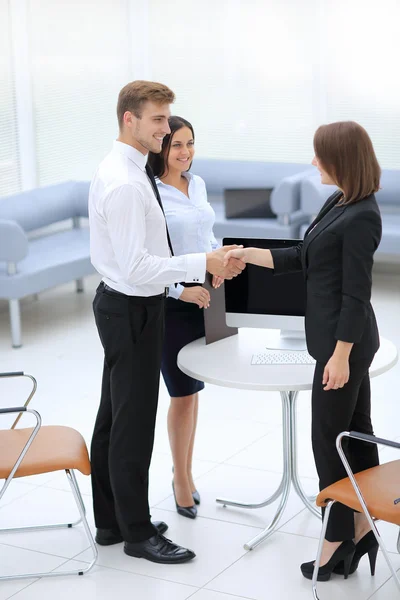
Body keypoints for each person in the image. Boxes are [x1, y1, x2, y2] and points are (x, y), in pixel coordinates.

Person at [88, 80, 245, 564]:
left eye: (167, 119)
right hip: (132, 305)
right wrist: (202, 264)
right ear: (129, 120)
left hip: (126, 305)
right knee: (131, 425)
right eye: (158, 120)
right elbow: (138, 267)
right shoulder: (129, 183)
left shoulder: (126, 169)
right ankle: (137, 533)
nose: (165, 128)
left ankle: (113, 521)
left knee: (114, 418)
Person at [224, 121, 382, 582]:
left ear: (341, 158)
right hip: (338, 345)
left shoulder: (362, 216)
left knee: (327, 443)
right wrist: (246, 253)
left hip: (343, 348)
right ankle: (362, 523)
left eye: (319, 155)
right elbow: (302, 256)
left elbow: (356, 296)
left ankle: (336, 541)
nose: (313, 162)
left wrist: (339, 356)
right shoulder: (339, 201)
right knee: (355, 434)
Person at [148, 116, 222, 519]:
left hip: (205, 298)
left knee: (193, 393)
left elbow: (205, 238)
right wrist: (182, 289)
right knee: (179, 394)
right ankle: (179, 481)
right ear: (160, 148)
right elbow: (150, 260)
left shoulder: (198, 184)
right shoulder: (151, 193)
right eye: (177, 144)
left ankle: (186, 471)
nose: (185, 152)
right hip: (173, 303)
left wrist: (221, 260)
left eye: (190, 143)